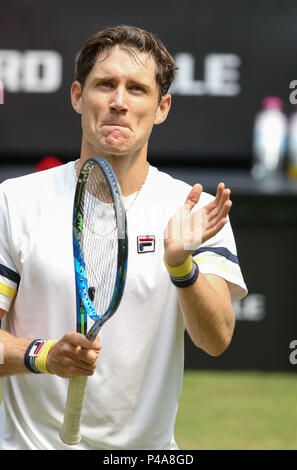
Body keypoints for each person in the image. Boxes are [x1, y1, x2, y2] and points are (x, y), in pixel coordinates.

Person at [0, 25, 247, 450]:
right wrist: (43, 356)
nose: (119, 102)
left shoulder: (194, 209)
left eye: (137, 89)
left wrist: (181, 266)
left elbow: (216, 339)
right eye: (105, 85)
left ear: (161, 107)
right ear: (78, 95)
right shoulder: (13, 202)